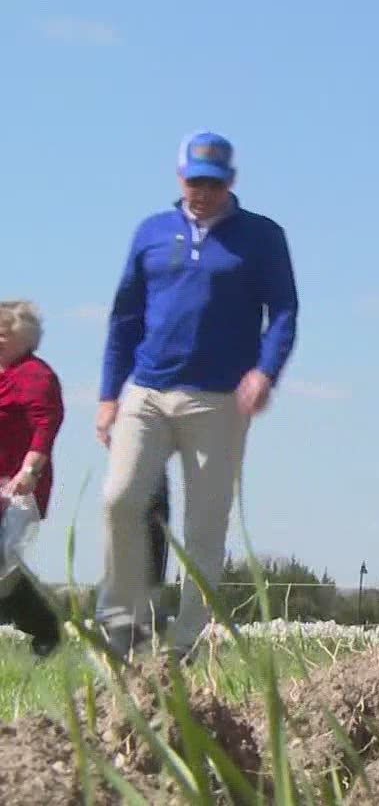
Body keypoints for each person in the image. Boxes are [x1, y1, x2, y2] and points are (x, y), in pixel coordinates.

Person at [95, 132, 299, 659]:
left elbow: (283, 311)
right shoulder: (151, 233)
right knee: (120, 499)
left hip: (220, 400)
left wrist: (265, 373)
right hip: (147, 390)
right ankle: (126, 628)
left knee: (203, 527)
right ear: (179, 176)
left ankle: (185, 645)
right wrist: (107, 393)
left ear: (230, 181)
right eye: (194, 180)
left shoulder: (261, 237)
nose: (201, 192)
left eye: (212, 182)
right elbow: (124, 317)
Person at [0, 301, 65, 656]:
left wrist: (30, 471)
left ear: (24, 338)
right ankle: (45, 629)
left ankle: (46, 628)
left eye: (4, 333)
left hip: (18, 486)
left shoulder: (36, 376)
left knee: (3, 566)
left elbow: (45, 425)